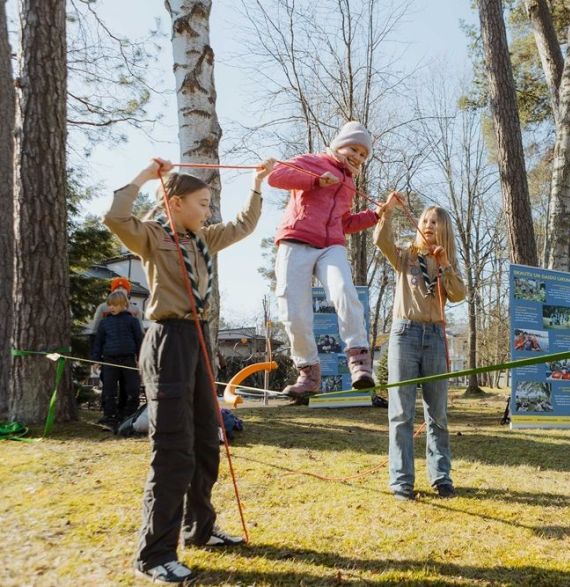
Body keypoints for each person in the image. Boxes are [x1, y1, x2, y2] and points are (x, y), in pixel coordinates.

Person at [103, 156, 275, 584]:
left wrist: (257, 185)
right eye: (201, 203)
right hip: (168, 343)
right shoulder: (152, 237)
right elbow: (115, 216)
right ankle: (154, 554)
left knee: (205, 441)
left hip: (198, 341)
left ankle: (199, 529)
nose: (207, 211)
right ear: (176, 203)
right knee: (173, 449)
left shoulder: (204, 239)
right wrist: (145, 176)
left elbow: (243, 225)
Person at [269, 121, 392, 398]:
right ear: (339, 144)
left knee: (344, 291)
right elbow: (276, 175)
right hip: (296, 241)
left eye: (363, 154)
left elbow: (344, 223)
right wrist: (314, 180)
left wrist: (375, 214)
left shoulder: (349, 182)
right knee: (293, 310)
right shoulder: (312, 161)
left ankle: (360, 361)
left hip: (330, 246)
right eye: (353, 149)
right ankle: (308, 373)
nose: (357, 157)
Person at [374, 195, 466, 500]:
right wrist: (386, 214)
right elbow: (381, 242)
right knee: (401, 412)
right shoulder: (406, 257)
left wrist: (446, 266)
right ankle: (401, 482)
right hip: (405, 334)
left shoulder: (443, 262)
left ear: (444, 230)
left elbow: (458, 295)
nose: (428, 226)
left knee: (437, 413)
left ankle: (441, 477)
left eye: (434, 222)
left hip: (435, 337)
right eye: (425, 221)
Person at [91, 289, 144, 431]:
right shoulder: (105, 323)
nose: (111, 308)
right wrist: (96, 360)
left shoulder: (132, 321)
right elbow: (98, 342)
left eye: (114, 305)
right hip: (109, 360)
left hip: (128, 360)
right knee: (109, 391)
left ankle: (129, 417)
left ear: (123, 305)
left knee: (132, 389)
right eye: (110, 305)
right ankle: (110, 418)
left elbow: (139, 340)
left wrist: (140, 358)